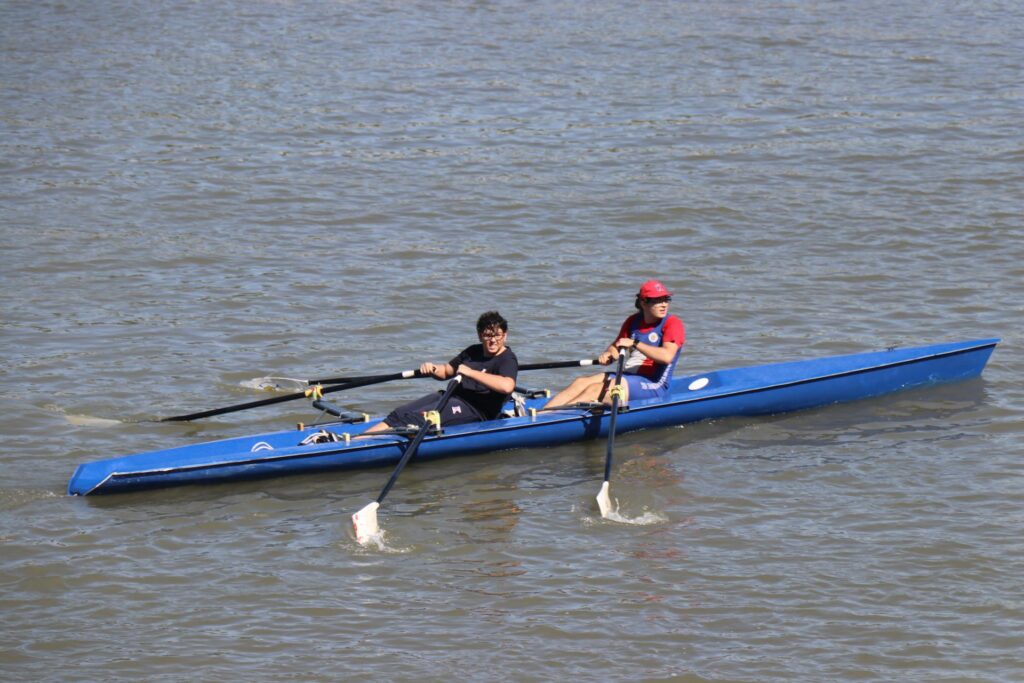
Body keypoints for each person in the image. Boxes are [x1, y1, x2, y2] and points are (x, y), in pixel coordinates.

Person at [363, 311, 518, 434]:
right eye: (488, 335)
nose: (493, 340)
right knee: (399, 413)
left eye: (497, 335)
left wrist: (471, 373)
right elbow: (445, 371)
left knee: (415, 419)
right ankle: (358, 440)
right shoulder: (473, 351)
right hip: (449, 396)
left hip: (476, 410)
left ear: (505, 335)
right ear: (480, 335)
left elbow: (507, 386)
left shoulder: (507, 359)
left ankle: (363, 447)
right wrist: (432, 368)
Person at [544, 280, 684, 408]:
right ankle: (541, 415)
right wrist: (609, 354)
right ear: (643, 302)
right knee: (581, 382)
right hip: (629, 377)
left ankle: (554, 419)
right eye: (657, 300)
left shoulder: (672, 324)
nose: (664, 304)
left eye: (666, 299)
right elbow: (616, 347)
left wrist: (635, 343)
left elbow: (667, 357)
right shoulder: (633, 322)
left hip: (654, 384)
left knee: (596, 389)